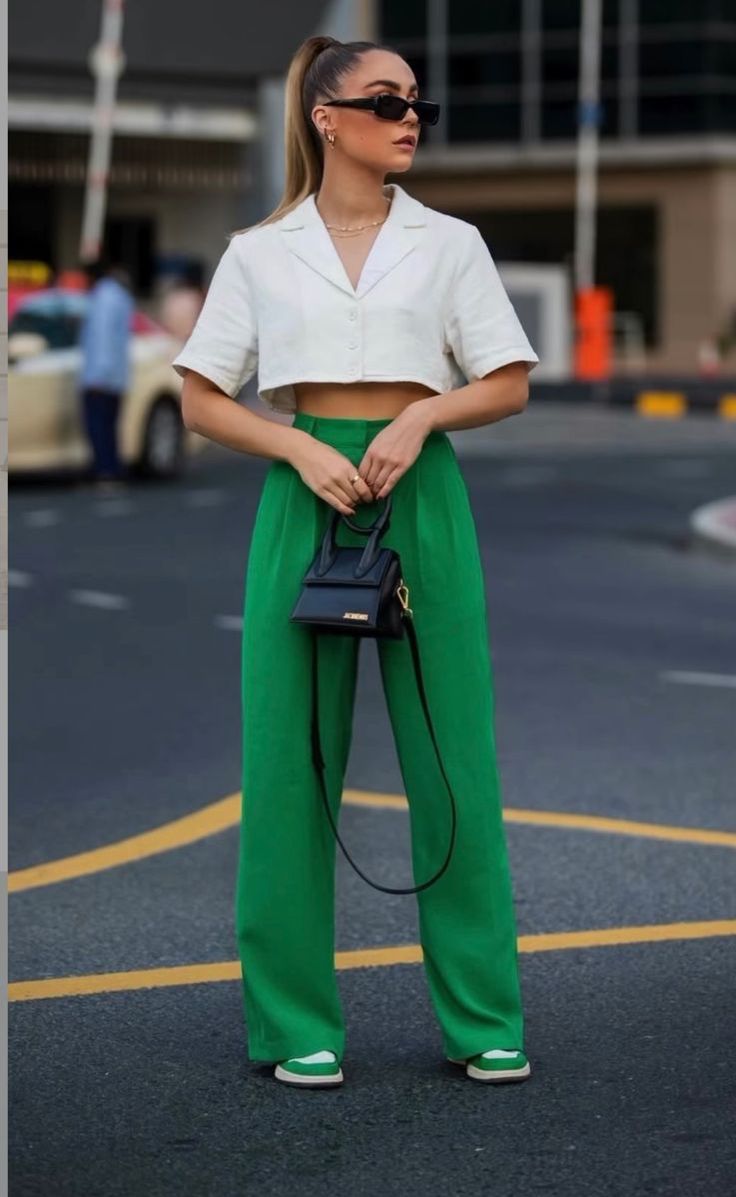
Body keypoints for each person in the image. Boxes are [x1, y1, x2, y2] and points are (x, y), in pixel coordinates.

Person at [172, 35, 540, 1089]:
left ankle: (482, 1018)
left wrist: (423, 414)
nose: (408, 116)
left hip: (421, 493)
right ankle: (295, 1024)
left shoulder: (449, 242)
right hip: (305, 499)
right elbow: (202, 398)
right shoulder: (259, 250)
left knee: (451, 761)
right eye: (385, 100)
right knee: (290, 765)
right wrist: (295, 445)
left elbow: (508, 381)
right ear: (326, 117)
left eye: (416, 101)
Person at [78, 255, 135, 491]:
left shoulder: (103, 298)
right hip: (117, 375)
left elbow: (101, 338)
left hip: (100, 377)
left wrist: (98, 375)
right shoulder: (120, 295)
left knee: (98, 426)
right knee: (110, 425)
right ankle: (112, 469)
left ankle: (104, 471)